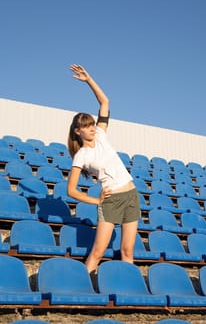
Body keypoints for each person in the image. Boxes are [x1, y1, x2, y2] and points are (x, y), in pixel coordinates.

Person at [67, 64, 141, 274]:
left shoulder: (100, 134)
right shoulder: (81, 155)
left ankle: (129, 289)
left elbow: (105, 101)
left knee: (127, 250)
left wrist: (88, 80)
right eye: (86, 126)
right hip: (111, 200)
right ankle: (80, 288)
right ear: (77, 131)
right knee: (98, 252)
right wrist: (97, 201)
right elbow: (71, 190)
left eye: (92, 124)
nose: (92, 128)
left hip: (131, 195)